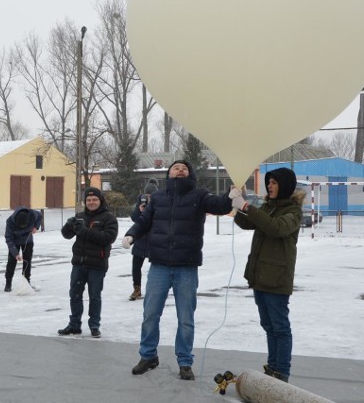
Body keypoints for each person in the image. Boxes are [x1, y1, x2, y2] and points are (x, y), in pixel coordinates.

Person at [122, 160, 232, 380]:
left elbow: (220, 206)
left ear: (189, 173)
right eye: (176, 168)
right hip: (159, 266)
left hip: (186, 267)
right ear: (169, 173)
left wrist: (231, 194)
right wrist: (132, 234)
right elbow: (144, 221)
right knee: (150, 314)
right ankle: (148, 355)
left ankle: (184, 361)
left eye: (184, 168)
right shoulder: (158, 198)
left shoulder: (199, 195)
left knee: (186, 318)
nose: (180, 170)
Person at [231, 167, 302, 383]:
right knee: (268, 325)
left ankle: (282, 372)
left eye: (274, 183)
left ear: (285, 186)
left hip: (277, 278)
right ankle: (272, 367)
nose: (269, 186)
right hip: (260, 277)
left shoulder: (292, 212)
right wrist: (236, 204)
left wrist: (246, 206)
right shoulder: (268, 207)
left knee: (280, 327)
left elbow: (275, 228)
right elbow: (248, 222)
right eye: (268, 182)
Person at [58, 187, 118, 339]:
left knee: (94, 296)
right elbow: (66, 235)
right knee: (75, 295)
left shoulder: (108, 218)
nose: (91, 202)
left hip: (97, 264)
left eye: (94, 199)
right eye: (88, 200)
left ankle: (94, 325)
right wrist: (68, 226)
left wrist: (84, 230)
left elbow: (107, 238)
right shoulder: (80, 216)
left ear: (100, 200)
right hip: (79, 263)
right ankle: (74, 325)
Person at [128, 182, 157, 301]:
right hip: (140, 240)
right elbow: (135, 218)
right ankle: (137, 289)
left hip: (154, 240)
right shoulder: (141, 202)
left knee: (155, 268)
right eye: (147, 195)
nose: (148, 197)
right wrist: (140, 211)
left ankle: (155, 290)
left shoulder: (159, 202)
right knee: (136, 266)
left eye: (151, 195)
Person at [4, 207, 42, 292]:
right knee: (11, 261)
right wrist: (15, 254)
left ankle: (26, 283)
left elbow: (40, 216)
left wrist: (36, 226)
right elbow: (9, 239)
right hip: (15, 241)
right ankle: (8, 284)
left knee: (27, 261)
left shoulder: (32, 214)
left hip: (28, 241)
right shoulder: (10, 222)